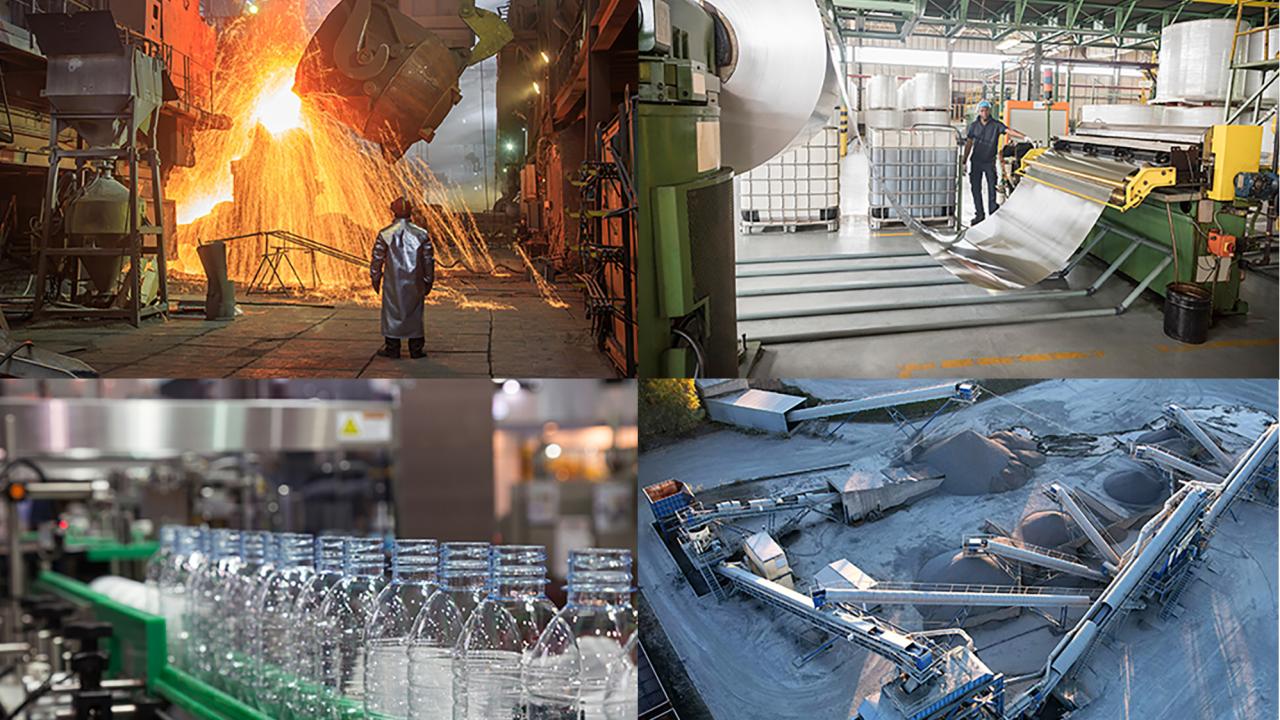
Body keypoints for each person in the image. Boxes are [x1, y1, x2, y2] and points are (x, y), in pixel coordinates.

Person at [370, 196, 435, 359]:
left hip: (393, 281)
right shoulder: (421, 234)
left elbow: (377, 258)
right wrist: (428, 280)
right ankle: (416, 349)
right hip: (415, 281)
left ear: (393, 211)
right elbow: (428, 260)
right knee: (415, 312)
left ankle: (392, 348)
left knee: (392, 312)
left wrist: (375, 277)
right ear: (411, 211)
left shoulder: (385, 233)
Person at [962, 99, 1029, 225]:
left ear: (990, 111)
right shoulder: (974, 126)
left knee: (992, 188)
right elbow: (969, 143)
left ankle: (992, 213)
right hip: (976, 162)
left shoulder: (996, 125)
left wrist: (1024, 137)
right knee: (975, 189)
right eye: (982, 110)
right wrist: (964, 161)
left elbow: (1008, 130)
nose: (984, 113)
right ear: (979, 112)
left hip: (989, 162)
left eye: (986, 110)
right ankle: (979, 215)